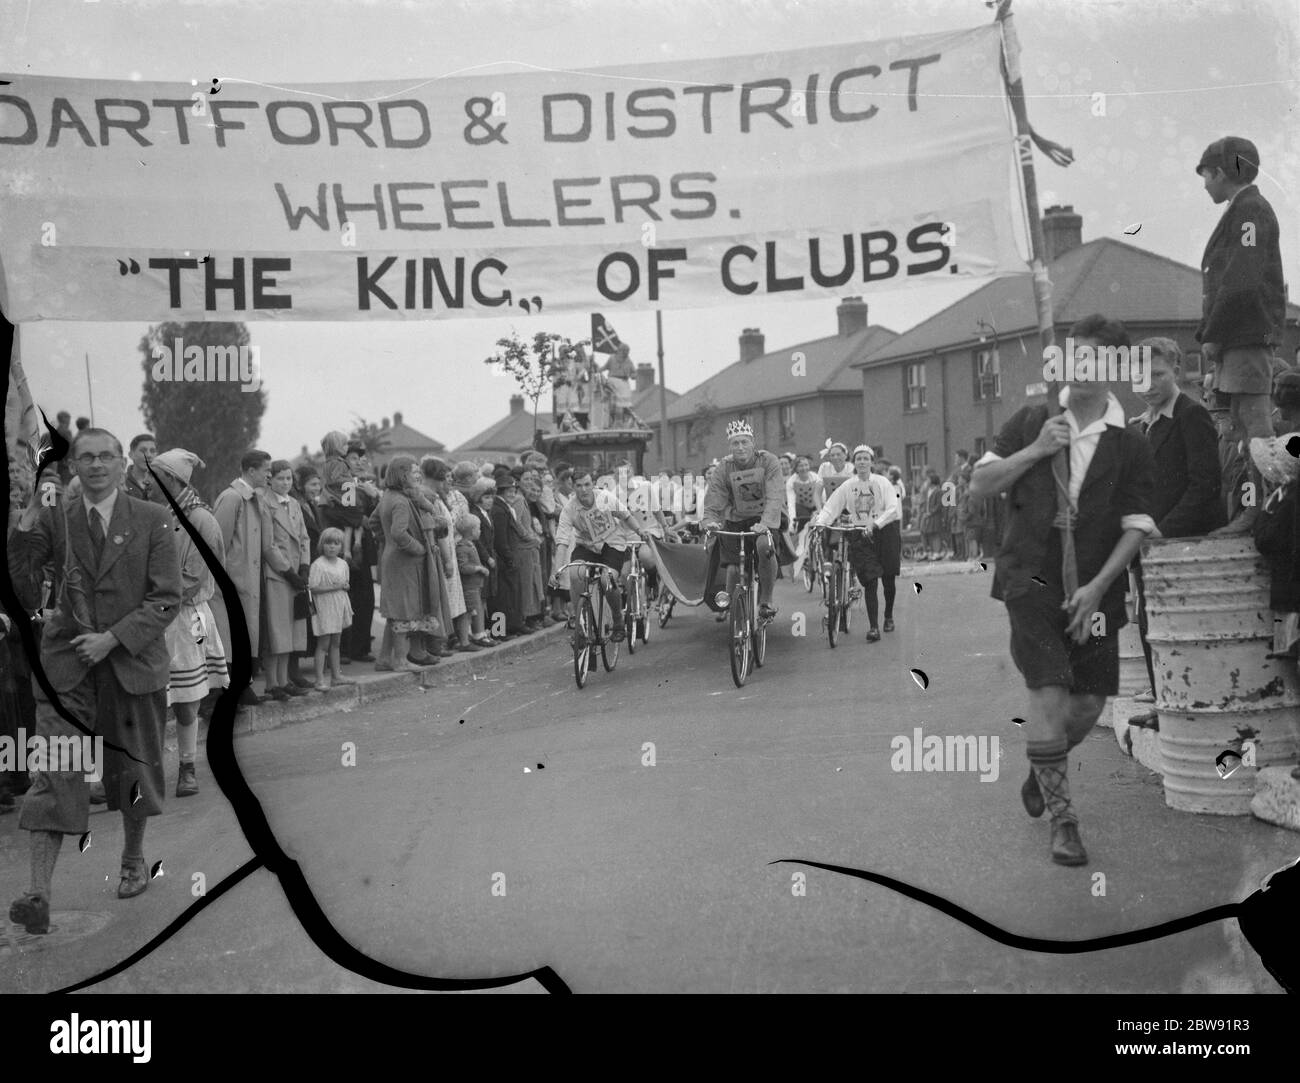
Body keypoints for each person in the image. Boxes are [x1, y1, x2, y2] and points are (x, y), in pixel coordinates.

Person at [969, 314, 1156, 867]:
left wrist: (1098, 588)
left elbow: (1138, 524)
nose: (1085, 368)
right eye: (1077, 356)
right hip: (1031, 573)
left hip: (1097, 579)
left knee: (1086, 705)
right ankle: (1064, 820)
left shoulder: (1130, 442)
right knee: (1048, 692)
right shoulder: (1034, 419)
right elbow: (980, 483)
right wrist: (1034, 452)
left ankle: (1040, 770)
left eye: (1098, 358)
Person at [7, 428, 182, 932]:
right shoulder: (58, 519)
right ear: (74, 467)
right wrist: (22, 526)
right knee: (55, 771)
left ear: (124, 462)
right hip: (69, 664)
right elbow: (22, 587)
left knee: (130, 771)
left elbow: (167, 598)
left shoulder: (151, 519)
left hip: (130, 662)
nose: (97, 465)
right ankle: (38, 893)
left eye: (107, 455)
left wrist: (113, 639)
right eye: (87, 457)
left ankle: (132, 860)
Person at [1126, 338, 1226, 724]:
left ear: (1178, 372)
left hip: (1183, 548)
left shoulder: (1190, 415)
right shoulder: (1142, 426)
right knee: (1152, 625)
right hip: (1149, 550)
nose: (1148, 384)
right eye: (1140, 376)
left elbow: (1205, 486)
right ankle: (1163, 703)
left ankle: (1185, 706)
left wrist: (1162, 533)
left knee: (1183, 631)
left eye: (1157, 374)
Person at [1196, 136, 1286, 534]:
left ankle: (1263, 511)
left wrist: (1213, 332)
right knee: (1243, 423)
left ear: (1220, 172)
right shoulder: (1245, 211)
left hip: (1245, 335)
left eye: (1206, 175)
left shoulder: (1249, 212)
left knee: (1253, 423)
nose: (1204, 185)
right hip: (1242, 335)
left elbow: (1242, 279)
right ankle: (1254, 509)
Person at [151, 448, 229, 797]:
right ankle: (147, 771)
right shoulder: (153, 514)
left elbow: (193, 578)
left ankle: (187, 767)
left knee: (186, 699)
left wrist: (151, 606)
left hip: (184, 618)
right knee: (150, 696)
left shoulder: (202, 520)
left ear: (172, 480)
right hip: (152, 616)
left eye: (155, 476)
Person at [700, 420, 790, 623]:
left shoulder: (768, 461)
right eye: (735, 443)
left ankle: (766, 601)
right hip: (735, 521)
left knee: (764, 548)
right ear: (729, 446)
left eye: (744, 442)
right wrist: (710, 521)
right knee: (732, 568)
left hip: (762, 519)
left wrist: (765, 523)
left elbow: (775, 495)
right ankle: (731, 608)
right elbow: (715, 496)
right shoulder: (724, 467)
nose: (740, 447)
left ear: (753, 443)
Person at [814, 445, 901, 640]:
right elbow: (831, 507)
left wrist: (876, 523)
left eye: (865, 458)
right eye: (858, 458)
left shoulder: (882, 482)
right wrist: (821, 522)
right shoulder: (848, 485)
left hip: (884, 531)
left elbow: (892, 509)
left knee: (888, 579)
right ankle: (873, 627)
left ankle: (888, 616)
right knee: (870, 580)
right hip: (859, 533)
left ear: (872, 462)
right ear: (854, 462)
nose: (862, 462)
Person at [551, 468, 648, 640]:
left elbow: (626, 516)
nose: (583, 490)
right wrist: (557, 570)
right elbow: (562, 542)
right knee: (575, 574)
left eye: (587, 484)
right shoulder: (569, 509)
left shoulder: (605, 498)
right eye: (579, 486)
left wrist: (640, 531)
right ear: (573, 487)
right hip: (587, 546)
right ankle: (579, 623)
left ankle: (618, 622)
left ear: (593, 485)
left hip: (612, 544)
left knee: (607, 579)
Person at [210, 450, 275, 706]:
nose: (269, 475)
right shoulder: (232, 498)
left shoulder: (252, 498)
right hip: (233, 580)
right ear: (250, 470)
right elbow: (218, 543)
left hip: (248, 578)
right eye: (266, 470)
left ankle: (243, 683)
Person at [373, 456, 436, 672]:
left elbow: (374, 522)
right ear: (402, 475)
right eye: (413, 472)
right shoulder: (400, 500)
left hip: (392, 558)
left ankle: (384, 658)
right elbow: (399, 533)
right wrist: (418, 547)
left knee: (395, 611)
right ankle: (399, 660)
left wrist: (388, 543)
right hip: (403, 562)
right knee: (402, 611)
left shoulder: (388, 496)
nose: (417, 476)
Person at [261, 460, 312, 701]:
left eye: (289, 479)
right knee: (277, 631)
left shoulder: (294, 504)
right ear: (270, 479)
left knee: (291, 631)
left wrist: (303, 566)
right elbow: (269, 545)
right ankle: (273, 682)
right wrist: (288, 571)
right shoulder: (265, 504)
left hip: (295, 576)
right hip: (278, 575)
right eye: (281, 478)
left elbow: (304, 537)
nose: (285, 483)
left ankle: (285, 680)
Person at [342, 443, 379, 664]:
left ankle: (361, 645)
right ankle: (348, 648)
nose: (358, 462)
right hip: (349, 546)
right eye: (354, 458)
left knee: (366, 598)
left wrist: (373, 497)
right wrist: (364, 520)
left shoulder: (361, 485)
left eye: (359, 459)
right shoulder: (344, 485)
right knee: (353, 597)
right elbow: (348, 515)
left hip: (363, 545)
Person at [308, 527, 356, 690]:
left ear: (341, 546)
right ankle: (319, 679)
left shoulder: (343, 564)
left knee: (336, 642)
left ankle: (336, 676)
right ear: (322, 544)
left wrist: (345, 587)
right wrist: (335, 587)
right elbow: (313, 588)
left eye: (336, 543)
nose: (332, 547)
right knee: (323, 644)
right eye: (328, 543)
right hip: (324, 607)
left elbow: (345, 584)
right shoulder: (318, 565)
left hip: (338, 607)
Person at [455, 513, 494, 648]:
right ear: (471, 531)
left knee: (476, 610)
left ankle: (479, 633)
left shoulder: (471, 545)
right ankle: (465, 641)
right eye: (478, 528)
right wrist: (479, 568)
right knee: (469, 612)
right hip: (469, 587)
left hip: (475, 586)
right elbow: (463, 567)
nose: (480, 531)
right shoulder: (462, 547)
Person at [121, 433, 159, 504]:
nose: (148, 455)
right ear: (131, 455)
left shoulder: (163, 481)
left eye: (152, 451)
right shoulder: (122, 482)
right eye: (143, 451)